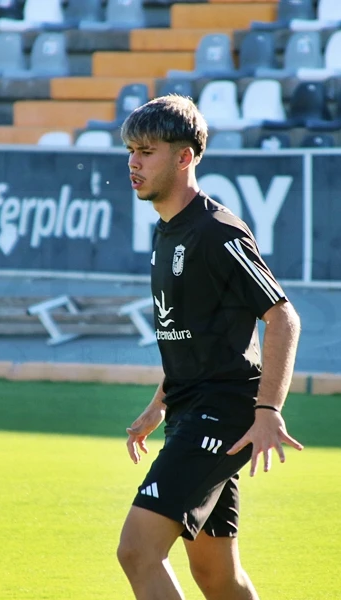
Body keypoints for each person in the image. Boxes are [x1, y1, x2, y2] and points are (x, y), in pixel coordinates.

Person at [117, 95, 304, 600]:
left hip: (220, 414)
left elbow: (282, 316)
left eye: (147, 151)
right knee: (217, 576)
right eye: (131, 150)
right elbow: (189, 334)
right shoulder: (166, 232)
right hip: (190, 412)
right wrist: (159, 405)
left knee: (137, 550)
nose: (134, 162)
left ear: (185, 157)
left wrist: (268, 410)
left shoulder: (216, 231)